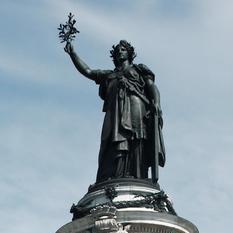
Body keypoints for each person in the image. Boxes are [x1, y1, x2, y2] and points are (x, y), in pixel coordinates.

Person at [64, 39, 165, 184]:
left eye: (123, 49)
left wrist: (157, 103)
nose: (120, 52)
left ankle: (138, 174)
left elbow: (152, 87)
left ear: (129, 53)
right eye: (117, 50)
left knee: (136, 139)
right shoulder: (109, 75)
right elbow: (88, 71)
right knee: (110, 140)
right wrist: (73, 54)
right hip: (115, 113)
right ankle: (113, 174)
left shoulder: (139, 70)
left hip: (136, 107)